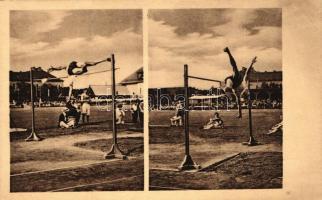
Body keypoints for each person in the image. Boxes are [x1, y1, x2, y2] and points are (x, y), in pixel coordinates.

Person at [222, 47, 257, 118]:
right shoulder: (243, 80)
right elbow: (247, 72)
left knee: (236, 97)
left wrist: (240, 114)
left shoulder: (240, 92)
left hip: (235, 85)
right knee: (234, 68)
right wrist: (251, 63)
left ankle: (227, 91)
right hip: (235, 80)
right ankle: (228, 52)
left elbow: (239, 103)